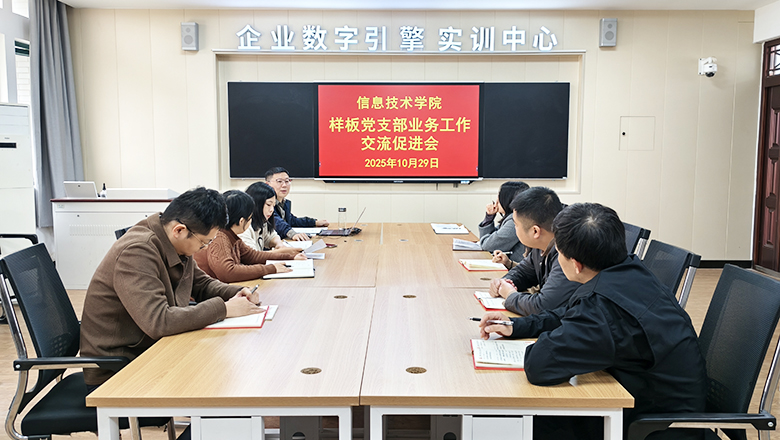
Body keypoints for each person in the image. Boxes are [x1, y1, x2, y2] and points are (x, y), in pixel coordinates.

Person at [480, 202, 707, 440]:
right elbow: (567, 313)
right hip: (651, 405)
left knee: (523, 423)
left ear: (576, 264)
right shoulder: (629, 271)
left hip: (653, 428)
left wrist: (547, 338)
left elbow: (540, 365)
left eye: (559, 254)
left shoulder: (602, 309)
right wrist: (516, 326)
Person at [80, 187, 265, 389]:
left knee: (224, 368)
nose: (203, 248)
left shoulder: (174, 241)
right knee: (217, 378)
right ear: (179, 230)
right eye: (204, 243)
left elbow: (200, 283)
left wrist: (237, 292)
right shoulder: (136, 251)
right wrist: (225, 309)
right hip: (119, 369)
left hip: (150, 349)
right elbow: (158, 321)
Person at [488, 186, 580, 315]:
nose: (515, 229)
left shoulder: (567, 252)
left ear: (535, 231)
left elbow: (542, 306)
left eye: (516, 225)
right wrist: (504, 282)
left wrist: (509, 294)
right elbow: (524, 272)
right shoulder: (541, 244)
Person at [194, 190, 305, 283]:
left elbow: (253, 256)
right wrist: (271, 269)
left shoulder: (232, 235)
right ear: (242, 221)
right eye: (250, 218)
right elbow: (228, 272)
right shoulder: (219, 237)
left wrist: (291, 257)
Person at [265, 166, 328, 241]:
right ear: (268, 184)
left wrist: (314, 222)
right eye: (279, 181)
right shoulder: (265, 203)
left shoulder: (283, 202)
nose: (284, 185)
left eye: (287, 181)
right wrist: (292, 234)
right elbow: (276, 221)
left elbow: (292, 221)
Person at [239, 181, 302, 253]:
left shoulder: (262, 221)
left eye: (273, 206)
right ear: (256, 204)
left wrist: (278, 244)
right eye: (268, 205)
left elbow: (271, 236)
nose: (272, 210)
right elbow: (253, 256)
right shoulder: (243, 227)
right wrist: (281, 252)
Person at [478, 181, 529, 264]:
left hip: (515, 268)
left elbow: (487, 245)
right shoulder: (514, 217)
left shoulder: (515, 220)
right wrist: (489, 218)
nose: (496, 202)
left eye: (500, 197)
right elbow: (492, 237)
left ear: (507, 200)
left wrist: (488, 219)